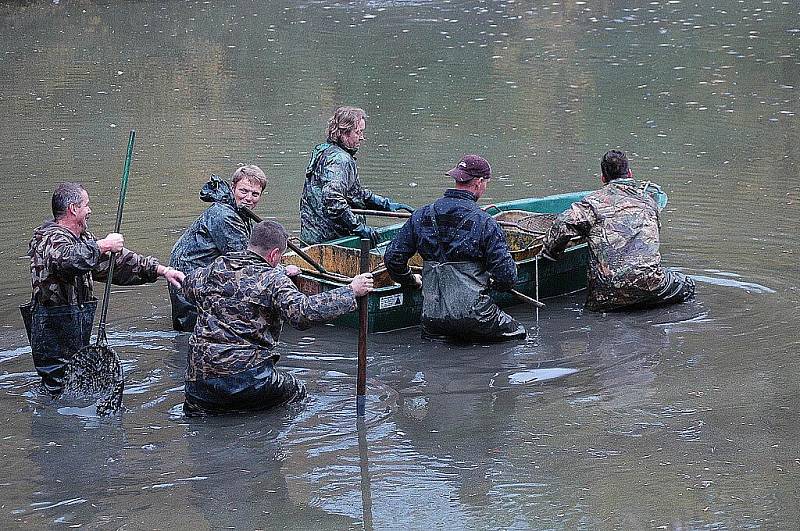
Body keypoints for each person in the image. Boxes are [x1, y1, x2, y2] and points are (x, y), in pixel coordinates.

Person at [181, 220, 374, 415]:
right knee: (298, 394)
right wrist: (350, 291)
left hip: (198, 382)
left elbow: (188, 286)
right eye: (279, 258)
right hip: (247, 379)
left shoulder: (216, 268)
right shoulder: (274, 280)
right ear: (274, 254)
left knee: (201, 416)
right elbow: (302, 313)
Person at [24, 182, 185, 394]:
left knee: (73, 386)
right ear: (73, 209)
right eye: (86, 205)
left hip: (75, 326)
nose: (90, 210)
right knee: (56, 388)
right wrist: (103, 246)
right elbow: (68, 261)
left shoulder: (83, 240)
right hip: (52, 329)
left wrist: (161, 270)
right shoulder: (49, 238)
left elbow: (117, 266)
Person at [384, 154, 526, 343]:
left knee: (434, 352)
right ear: (479, 182)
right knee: (519, 334)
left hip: (432, 319)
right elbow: (508, 277)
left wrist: (410, 281)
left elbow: (393, 258)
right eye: (486, 184)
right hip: (476, 317)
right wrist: (491, 284)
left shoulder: (421, 215)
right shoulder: (486, 223)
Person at [541, 149, 695, 312]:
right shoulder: (649, 201)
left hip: (606, 297)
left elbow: (562, 224)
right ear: (629, 173)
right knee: (687, 285)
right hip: (651, 287)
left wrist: (551, 253)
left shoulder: (592, 204)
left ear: (603, 178)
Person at [169, 165, 268, 331]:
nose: (249, 198)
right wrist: (280, 271)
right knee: (193, 330)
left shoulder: (239, 212)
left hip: (200, 273)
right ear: (232, 187)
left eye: (255, 194)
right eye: (243, 191)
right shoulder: (225, 215)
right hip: (189, 276)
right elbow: (243, 260)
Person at [299, 106, 413, 246]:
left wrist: (385, 204)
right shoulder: (340, 159)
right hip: (330, 242)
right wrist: (358, 227)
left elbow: (353, 193)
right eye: (358, 132)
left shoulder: (324, 151)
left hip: (312, 240)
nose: (362, 137)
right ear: (344, 132)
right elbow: (333, 199)